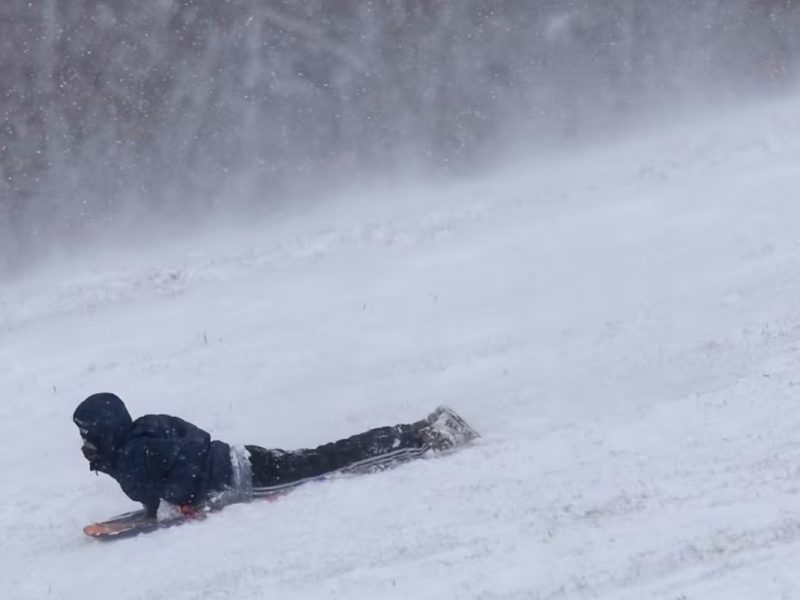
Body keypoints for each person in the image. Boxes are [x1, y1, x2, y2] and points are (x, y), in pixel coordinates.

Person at [72, 393, 479, 519]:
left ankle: (426, 438)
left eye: (88, 434)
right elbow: (194, 440)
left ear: (103, 431)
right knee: (325, 455)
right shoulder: (143, 428)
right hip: (240, 456)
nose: (85, 441)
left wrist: (184, 497)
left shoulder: (132, 454)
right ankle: (421, 430)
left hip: (246, 479)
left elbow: (178, 467)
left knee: (335, 463)